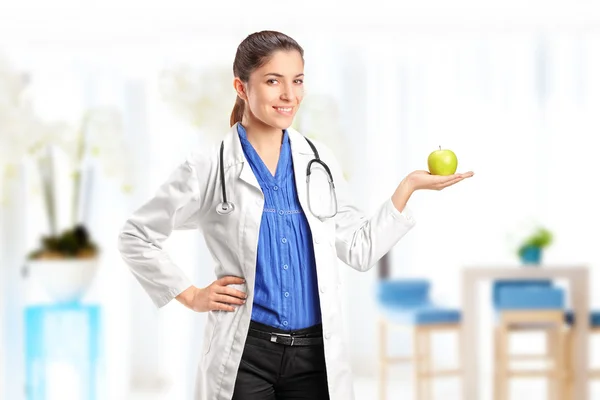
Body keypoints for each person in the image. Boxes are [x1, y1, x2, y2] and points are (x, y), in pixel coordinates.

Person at [117, 30, 473, 400]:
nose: (289, 96)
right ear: (241, 87)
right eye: (274, 81)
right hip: (246, 356)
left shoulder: (319, 163)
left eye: (297, 81)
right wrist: (190, 295)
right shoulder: (208, 167)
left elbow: (359, 250)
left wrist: (408, 188)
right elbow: (136, 236)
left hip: (314, 358)